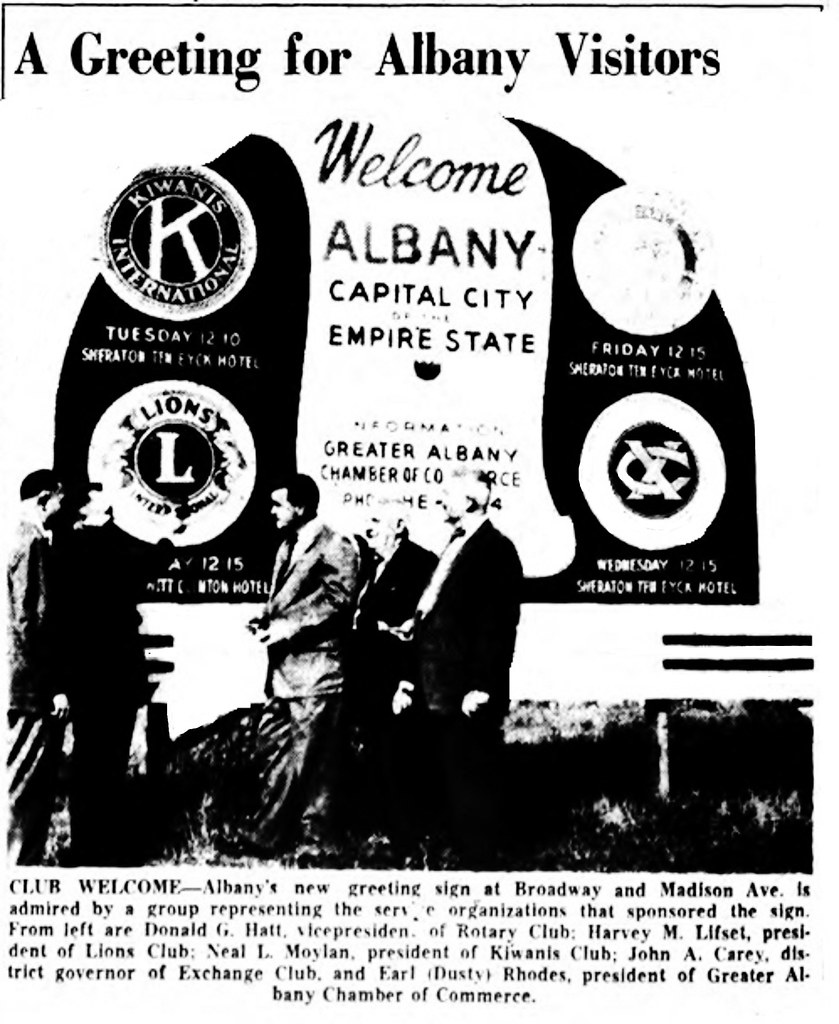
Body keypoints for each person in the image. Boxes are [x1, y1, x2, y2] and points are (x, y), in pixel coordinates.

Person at [393, 468, 522, 865]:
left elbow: (497, 624)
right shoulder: (456, 543)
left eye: (447, 494)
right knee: (449, 774)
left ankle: (478, 862)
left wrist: (482, 685)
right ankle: (455, 855)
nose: (440, 501)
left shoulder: (496, 550)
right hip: (438, 689)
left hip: (467, 692)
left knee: (472, 777)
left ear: (468, 502)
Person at [241, 474, 361, 855]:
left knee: (314, 762)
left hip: (317, 673)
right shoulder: (287, 545)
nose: (271, 511)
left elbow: (339, 599)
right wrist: (266, 618)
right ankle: (267, 837)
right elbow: (288, 599)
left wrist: (288, 628)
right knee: (276, 753)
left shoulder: (336, 544)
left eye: (278, 505)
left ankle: (318, 844)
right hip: (286, 675)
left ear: (302, 507)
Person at [56, 483, 148, 865]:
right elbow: (140, 578)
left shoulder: (65, 550)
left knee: (86, 763)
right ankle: (114, 849)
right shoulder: (121, 548)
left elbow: (60, 620)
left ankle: (85, 847)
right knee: (111, 764)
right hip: (120, 676)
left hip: (84, 677)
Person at [348, 510, 437, 835]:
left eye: (375, 523)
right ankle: (381, 827)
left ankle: (409, 835)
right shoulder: (372, 565)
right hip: (369, 678)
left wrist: (407, 684)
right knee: (376, 752)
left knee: (401, 756)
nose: (368, 531)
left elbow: (420, 631)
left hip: (397, 679)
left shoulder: (421, 564)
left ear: (398, 527)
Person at [7, 469, 68, 865]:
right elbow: (31, 620)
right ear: (45, 499)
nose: (63, 507)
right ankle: (18, 869)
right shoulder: (31, 543)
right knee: (26, 782)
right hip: (32, 688)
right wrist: (52, 687)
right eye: (60, 500)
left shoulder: (17, 538)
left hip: (21, 684)